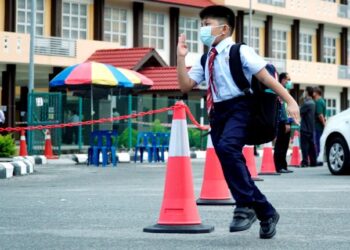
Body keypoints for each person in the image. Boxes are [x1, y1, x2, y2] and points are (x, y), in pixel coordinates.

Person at [177, 5, 300, 239]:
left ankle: (244, 206)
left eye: (207, 24)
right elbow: (185, 86)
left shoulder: (240, 51)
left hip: (241, 107)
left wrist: (290, 101)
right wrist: (180, 58)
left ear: (224, 28)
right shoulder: (206, 58)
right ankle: (266, 212)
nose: (202, 29)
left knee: (227, 149)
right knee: (230, 161)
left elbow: (266, 77)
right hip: (218, 112)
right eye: (201, 24)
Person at [273, 72, 294, 174]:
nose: (289, 82)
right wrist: (286, 122)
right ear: (282, 80)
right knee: (280, 144)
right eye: (287, 80)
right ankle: (279, 166)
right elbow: (282, 108)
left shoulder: (285, 91)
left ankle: (284, 166)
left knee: (285, 144)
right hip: (282, 122)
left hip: (287, 121)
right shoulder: (280, 91)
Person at [300, 87, 317, 167]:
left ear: (307, 92)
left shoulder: (307, 103)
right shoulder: (313, 103)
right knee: (311, 146)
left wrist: (302, 100)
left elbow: (299, 111)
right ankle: (313, 161)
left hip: (305, 128)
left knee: (304, 146)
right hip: (311, 128)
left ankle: (305, 162)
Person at [313, 87, 326, 157]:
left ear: (316, 93)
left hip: (318, 126)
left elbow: (320, 115)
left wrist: (324, 124)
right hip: (319, 126)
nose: (312, 93)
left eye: (314, 92)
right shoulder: (322, 101)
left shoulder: (318, 102)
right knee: (318, 142)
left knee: (317, 142)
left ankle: (318, 158)